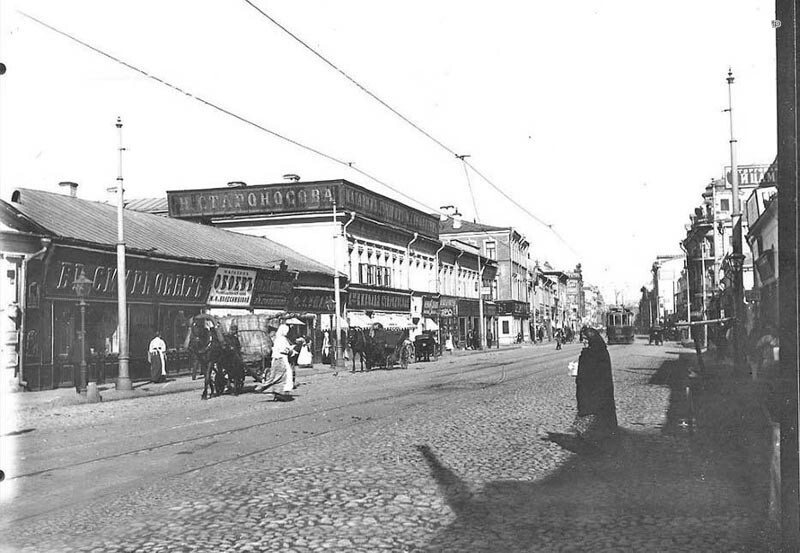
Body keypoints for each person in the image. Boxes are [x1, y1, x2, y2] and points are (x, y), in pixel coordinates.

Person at [573, 327, 618, 444]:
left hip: (596, 390)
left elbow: (598, 373)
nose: (584, 342)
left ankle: (598, 440)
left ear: (592, 340)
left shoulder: (598, 353)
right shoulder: (589, 352)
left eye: (586, 339)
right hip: (588, 389)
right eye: (583, 339)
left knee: (595, 415)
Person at [255, 324, 294, 400]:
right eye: (286, 331)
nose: (287, 332)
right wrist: (291, 350)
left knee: (277, 376)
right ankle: (280, 392)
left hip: (278, 358)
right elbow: (284, 350)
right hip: (282, 358)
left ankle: (278, 392)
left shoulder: (279, 339)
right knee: (284, 375)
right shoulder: (282, 339)